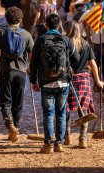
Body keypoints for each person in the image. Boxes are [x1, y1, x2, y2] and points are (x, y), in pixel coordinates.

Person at [30, 14, 80, 154]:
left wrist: (33, 81)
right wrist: (71, 68)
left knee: (48, 113)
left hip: (46, 83)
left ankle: (48, 145)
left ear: (46, 25)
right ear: (59, 26)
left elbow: (33, 63)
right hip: (63, 83)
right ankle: (59, 143)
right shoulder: (66, 40)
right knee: (61, 113)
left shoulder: (40, 40)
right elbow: (77, 59)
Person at [0, 7, 34, 142]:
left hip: (5, 71)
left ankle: (10, 126)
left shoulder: (0, 34)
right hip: (21, 72)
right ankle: (17, 128)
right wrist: (31, 70)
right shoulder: (26, 35)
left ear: (6, 19)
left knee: (5, 101)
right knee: (18, 101)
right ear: (20, 19)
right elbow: (32, 56)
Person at [63, 21, 104, 149]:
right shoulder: (86, 44)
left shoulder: (65, 44)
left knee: (66, 108)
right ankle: (83, 138)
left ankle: (67, 136)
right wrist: (98, 81)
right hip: (84, 80)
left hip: (68, 79)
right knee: (84, 109)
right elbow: (93, 64)